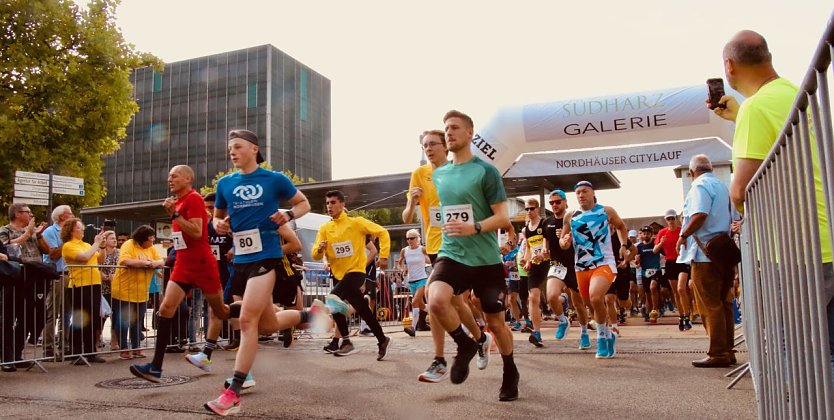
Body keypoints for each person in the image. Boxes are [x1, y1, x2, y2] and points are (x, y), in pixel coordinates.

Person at [714, 29, 833, 376]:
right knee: (826, 347)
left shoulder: (757, 107)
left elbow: (740, 190)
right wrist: (739, 117)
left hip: (791, 250)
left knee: (793, 355)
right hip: (824, 240)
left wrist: (742, 216)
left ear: (729, 66)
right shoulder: (797, 94)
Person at [207, 129, 312, 416]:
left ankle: (234, 391)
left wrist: (289, 215)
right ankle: (311, 315)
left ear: (254, 149)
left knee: (246, 319)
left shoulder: (274, 179)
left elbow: (304, 203)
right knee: (266, 325)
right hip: (239, 260)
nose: (232, 152)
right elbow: (216, 217)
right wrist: (219, 225)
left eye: (237, 147)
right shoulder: (226, 184)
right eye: (230, 148)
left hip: (266, 257)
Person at [427, 110, 518, 401]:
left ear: (470, 133)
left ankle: (510, 370)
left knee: (495, 324)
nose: (449, 133)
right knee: (436, 299)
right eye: (446, 128)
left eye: (454, 128)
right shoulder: (439, 174)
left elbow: (503, 217)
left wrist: (475, 227)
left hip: (486, 260)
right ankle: (465, 345)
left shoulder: (486, 171)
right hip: (452, 253)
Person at [129, 165, 232, 382]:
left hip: (202, 264)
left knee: (221, 311)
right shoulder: (180, 202)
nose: (170, 179)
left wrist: (174, 214)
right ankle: (155, 367)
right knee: (166, 308)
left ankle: (255, 312)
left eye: (174, 176)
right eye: (169, 176)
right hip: (183, 265)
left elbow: (196, 231)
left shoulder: (193, 199)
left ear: (187, 178)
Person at [403, 129, 486, 384]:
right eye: (424, 145)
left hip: (459, 244)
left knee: (442, 299)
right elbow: (406, 218)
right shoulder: (419, 175)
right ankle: (479, 340)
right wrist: (413, 202)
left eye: (433, 144)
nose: (428, 149)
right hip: (435, 244)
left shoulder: (458, 171)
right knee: (450, 303)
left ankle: (446, 356)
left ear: (445, 147)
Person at [312, 190, 391, 358]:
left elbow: (383, 232)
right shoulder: (325, 228)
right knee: (363, 310)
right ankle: (382, 339)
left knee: (332, 298)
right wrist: (320, 249)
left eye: (333, 202)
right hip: (339, 275)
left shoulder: (357, 223)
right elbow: (315, 254)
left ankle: (346, 341)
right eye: (327, 203)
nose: (329, 206)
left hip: (356, 272)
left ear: (342, 204)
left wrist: (384, 256)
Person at [560, 180, 632, 359]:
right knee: (590, 303)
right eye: (577, 193)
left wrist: (624, 245)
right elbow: (562, 241)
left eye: (584, 191)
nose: (581, 195)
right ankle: (608, 334)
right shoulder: (570, 216)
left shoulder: (606, 211)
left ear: (593, 193)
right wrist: (565, 242)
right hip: (581, 266)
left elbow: (622, 226)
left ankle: (601, 338)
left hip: (604, 262)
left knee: (596, 296)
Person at [676, 155, 735, 367]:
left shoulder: (699, 186)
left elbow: (699, 215)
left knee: (709, 305)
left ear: (692, 173)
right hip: (724, 252)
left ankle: (718, 353)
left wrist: (683, 234)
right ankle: (728, 350)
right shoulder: (722, 186)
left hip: (705, 255)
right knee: (724, 303)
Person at [0, 203, 49, 366]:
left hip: (33, 276)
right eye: (28, 212)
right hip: (13, 276)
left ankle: (17, 354)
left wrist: (39, 235)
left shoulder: (33, 232)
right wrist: (27, 234)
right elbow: (5, 249)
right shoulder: (5, 230)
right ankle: (6, 358)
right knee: (8, 318)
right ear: (17, 214)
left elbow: (47, 250)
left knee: (28, 317)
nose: (31, 215)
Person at [542, 189, 592, 349]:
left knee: (579, 303)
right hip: (557, 265)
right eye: (552, 203)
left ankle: (584, 332)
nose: (555, 205)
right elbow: (546, 240)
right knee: (551, 296)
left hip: (574, 265)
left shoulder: (575, 218)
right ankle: (563, 321)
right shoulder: (547, 222)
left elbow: (586, 238)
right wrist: (544, 250)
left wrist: (567, 236)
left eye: (558, 202)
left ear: (565, 202)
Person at [111, 225, 165, 360]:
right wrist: (146, 264)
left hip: (141, 291)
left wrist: (153, 263)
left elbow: (160, 261)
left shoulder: (151, 248)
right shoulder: (129, 244)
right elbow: (125, 260)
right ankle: (123, 348)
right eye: (150, 239)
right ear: (142, 239)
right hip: (125, 290)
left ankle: (136, 348)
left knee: (138, 320)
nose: (152, 242)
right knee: (124, 320)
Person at [60, 217, 107, 364]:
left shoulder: (86, 244)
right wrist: (97, 243)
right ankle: (75, 353)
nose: (83, 230)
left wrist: (102, 247)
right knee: (81, 319)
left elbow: (100, 260)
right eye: (80, 228)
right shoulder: (68, 245)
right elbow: (84, 257)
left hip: (94, 284)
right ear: (72, 230)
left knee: (93, 319)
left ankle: (90, 352)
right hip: (79, 285)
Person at [41, 205, 74, 359]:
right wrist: (67, 241)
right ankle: (48, 347)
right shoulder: (50, 231)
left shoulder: (71, 235)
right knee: (53, 312)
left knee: (67, 313)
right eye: (70, 214)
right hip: (56, 275)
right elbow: (52, 254)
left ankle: (64, 345)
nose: (73, 216)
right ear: (62, 217)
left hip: (69, 274)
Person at [654, 209, 692, 331]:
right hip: (670, 263)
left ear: (676, 218)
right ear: (666, 220)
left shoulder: (682, 230)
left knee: (682, 289)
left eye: (672, 218)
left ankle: (687, 315)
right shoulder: (662, 233)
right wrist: (661, 243)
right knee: (676, 292)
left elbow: (690, 244)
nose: (671, 221)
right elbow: (655, 250)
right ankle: (681, 317)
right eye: (668, 219)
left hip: (682, 261)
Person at [519, 198, 549, 347]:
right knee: (533, 298)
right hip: (535, 266)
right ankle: (537, 333)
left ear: (537, 209)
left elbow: (548, 244)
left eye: (531, 208)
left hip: (548, 263)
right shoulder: (526, 229)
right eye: (527, 209)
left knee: (555, 296)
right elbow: (530, 248)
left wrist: (544, 254)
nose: (529, 211)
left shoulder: (544, 224)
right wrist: (526, 260)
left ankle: (564, 315)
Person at [397, 228, 430, 337]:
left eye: (412, 238)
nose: (409, 240)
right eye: (408, 238)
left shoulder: (422, 249)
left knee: (415, 301)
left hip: (422, 279)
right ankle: (433, 310)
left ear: (417, 239)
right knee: (420, 304)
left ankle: (413, 327)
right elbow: (399, 262)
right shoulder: (404, 250)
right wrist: (403, 269)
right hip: (411, 280)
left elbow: (432, 259)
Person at [636, 226, 663, 324]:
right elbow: (636, 262)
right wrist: (636, 261)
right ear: (642, 235)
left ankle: (655, 309)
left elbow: (664, 252)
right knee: (647, 294)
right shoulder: (639, 247)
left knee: (653, 287)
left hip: (656, 271)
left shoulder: (655, 244)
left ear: (651, 234)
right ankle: (650, 311)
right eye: (644, 233)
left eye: (648, 233)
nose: (646, 235)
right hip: (644, 272)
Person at [98, 231, 120, 351]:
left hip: (116, 287)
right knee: (101, 316)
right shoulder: (99, 252)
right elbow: (95, 265)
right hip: (102, 287)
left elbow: (121, 266)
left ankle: (114, 342)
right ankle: (96, 341)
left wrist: (114, 276)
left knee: (116, 316)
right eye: (112, 238)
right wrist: (102, 275)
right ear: (105, 240)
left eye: (115, 238)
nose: (115, 240)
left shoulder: (119, 252)